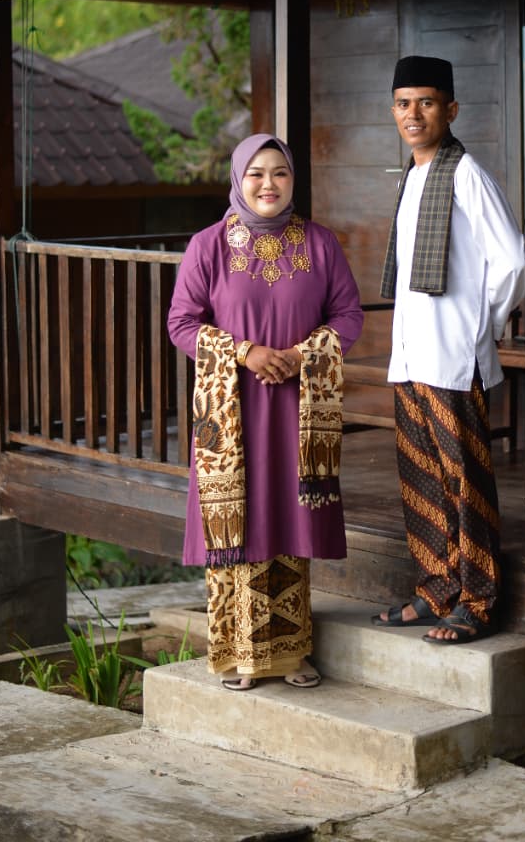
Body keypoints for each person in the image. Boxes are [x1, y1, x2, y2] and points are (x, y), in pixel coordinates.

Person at [168, 133, 363, 690]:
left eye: (279, 172)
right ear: (238, 179)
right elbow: (182, 323)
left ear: (293, 179)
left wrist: (301, 356)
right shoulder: (208, 246)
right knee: (241, 520)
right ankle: (238, 654)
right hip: (233, 412)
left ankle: (290, 654)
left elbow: (347, 316)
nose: (268, 184)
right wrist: (245, 352)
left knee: (288, 518)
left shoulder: (319, 244)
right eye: (256, 173)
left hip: (297, 409)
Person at [372, 55, 525, 644]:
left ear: (451, 109)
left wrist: (482, 325)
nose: (413, 113)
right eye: (403, 103)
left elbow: (512, 261)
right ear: (393, 111)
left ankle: (478, 602)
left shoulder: (466, 174)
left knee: (465, 483)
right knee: (422, 478)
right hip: (412, 355)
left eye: (427, 102)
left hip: (453, 357)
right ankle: (437, 589)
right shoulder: (412, 175)